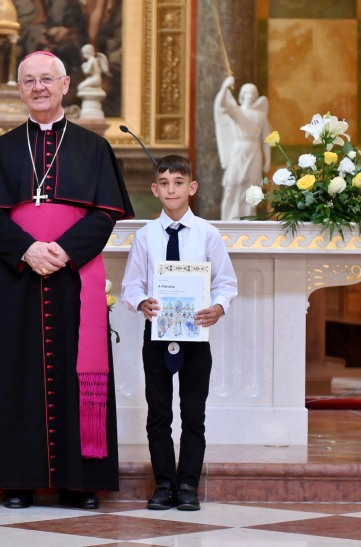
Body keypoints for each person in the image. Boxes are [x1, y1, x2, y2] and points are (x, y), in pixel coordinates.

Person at [0, 51, 134, 510]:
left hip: (74, 275)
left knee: (78, 373)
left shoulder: (93, 147)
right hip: (16, 275)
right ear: (20, 89)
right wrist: (27, 249)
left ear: (65, 84)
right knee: (14, 372)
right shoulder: (2, 148)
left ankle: (80, 482)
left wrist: (64, 250)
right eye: (29, 81)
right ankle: (17, 479)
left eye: (46, 79)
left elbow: (106, 213)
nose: (38, 87)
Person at [120, 155, 237, 511]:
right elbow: (131, 285)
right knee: (158, 413)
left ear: (192, 187)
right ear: (155, 190)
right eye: (164, 183)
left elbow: (226, 282)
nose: (172, 189)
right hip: (157, 335)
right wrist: (142, 302)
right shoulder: (145, 236)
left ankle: (187, 485)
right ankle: (164, 484)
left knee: (193, 414)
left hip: (195, 336)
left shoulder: (207, 234)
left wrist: (218, 307)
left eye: (179, 182)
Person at [214, 75, 271, 220]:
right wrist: (224, 87)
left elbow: (267, 139)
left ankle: (248, 217)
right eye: (247, 93)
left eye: (253, 93)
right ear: (242, 95)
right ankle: (228, 218)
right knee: (232, 184)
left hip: (255, 151)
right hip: (239, 150)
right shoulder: (237, 111)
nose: (250, 96)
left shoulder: (260, 115)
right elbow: (221, 105)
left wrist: (268, 160)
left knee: (252, 187)